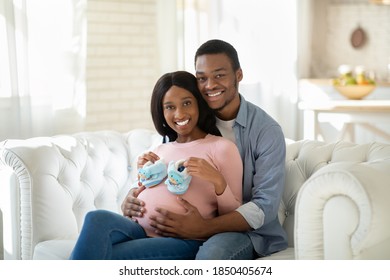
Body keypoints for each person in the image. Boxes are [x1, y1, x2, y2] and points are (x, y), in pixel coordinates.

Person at [122, 39, 288, 259]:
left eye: (219, 75)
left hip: (246, 233)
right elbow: (167, 174)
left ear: (238, 75)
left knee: (211, 257)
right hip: (182, 232)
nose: (210, 85)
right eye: (202, 78)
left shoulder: (266, 131)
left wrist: (202, 228)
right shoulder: (190, 122)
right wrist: (132, 195)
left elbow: (263, 208)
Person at [70, 70, 243, 259]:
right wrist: (128, 202)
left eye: (186, 103)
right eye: (170, 107)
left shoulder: (222, 148)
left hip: (184, 240)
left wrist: (217, 181)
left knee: (106, 255)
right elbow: (141, 192)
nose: (179, 113)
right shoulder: (160, 150)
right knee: (95, 219)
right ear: (161, 111)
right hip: (139, 231)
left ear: (199, 104)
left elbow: (234, 215)